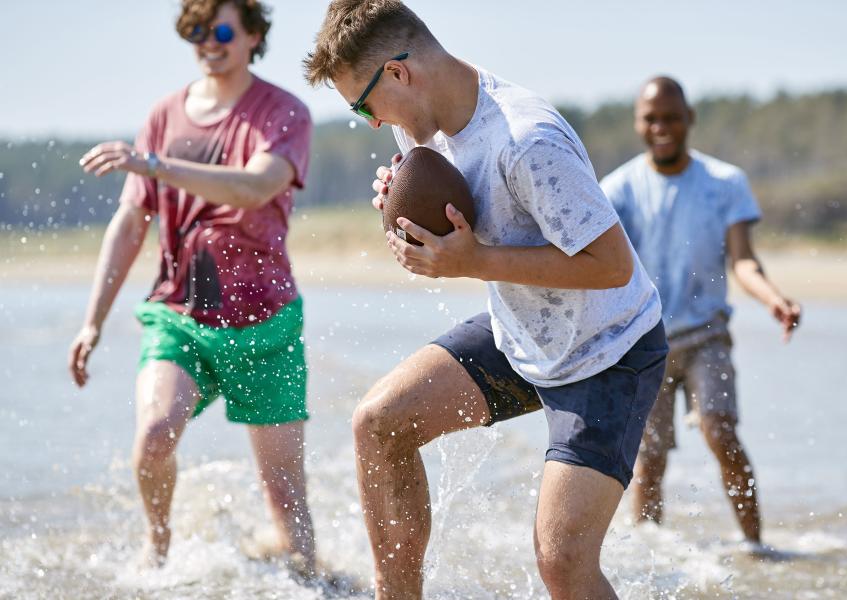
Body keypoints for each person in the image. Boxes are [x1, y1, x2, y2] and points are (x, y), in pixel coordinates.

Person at [303, 2, 668, 598]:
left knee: (562, 561)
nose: (369, 122)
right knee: (379, 424)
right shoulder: (418, 123)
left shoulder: (528, 140)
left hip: (610, 353)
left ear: (399, 73)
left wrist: (473, 263)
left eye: (362, 104)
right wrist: (402, 197)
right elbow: (457, 201)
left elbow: (612, 266)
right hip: (522, 329)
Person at [67, 0, 316, 571]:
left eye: (223, 29)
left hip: (267, 322)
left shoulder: (284, 112)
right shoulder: (163, 116)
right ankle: (158, 555)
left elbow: (257, 188)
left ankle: (309, 576)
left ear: (253, 35)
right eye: (196, 30)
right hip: (178, 314)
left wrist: (155, 166)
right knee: (155, 435)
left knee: (285, 498)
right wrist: (92, 321)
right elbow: (132, 223)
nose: (209, 41)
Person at [600, 76, 802, 549]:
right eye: (651, 119)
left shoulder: (725, 183)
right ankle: (651, 555)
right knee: (648, 459)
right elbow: (602, 266)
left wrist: (774, 298)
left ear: (690, 118)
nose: (662, 127)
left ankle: (756, 546)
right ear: (638, 124)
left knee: (720, 431)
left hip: (706, 336)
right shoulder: (620, 189)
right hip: (643, 340)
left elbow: (744, 261)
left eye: (672, 117)